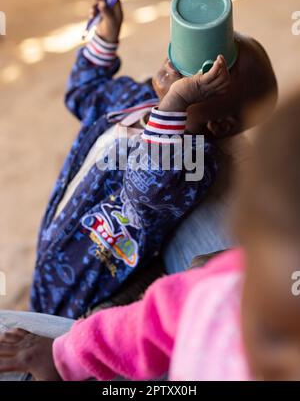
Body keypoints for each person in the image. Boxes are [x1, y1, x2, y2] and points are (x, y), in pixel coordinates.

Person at [2, 91, 300, 381]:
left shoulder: (225, 285)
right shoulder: (223, 286)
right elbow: (149, 321)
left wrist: (173, 108)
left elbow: (146, 188)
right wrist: (64, 356)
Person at [30, 0, 277, 318]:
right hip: (55, 236)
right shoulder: (137, 98)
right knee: (37, 298)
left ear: (219, 124)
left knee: (52, 324)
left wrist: (175, 104)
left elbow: (145, 187)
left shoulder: (194, 162)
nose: (181, 62)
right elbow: (84, 94)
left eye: (210, 71)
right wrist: (107, 34)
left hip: (94, 283)